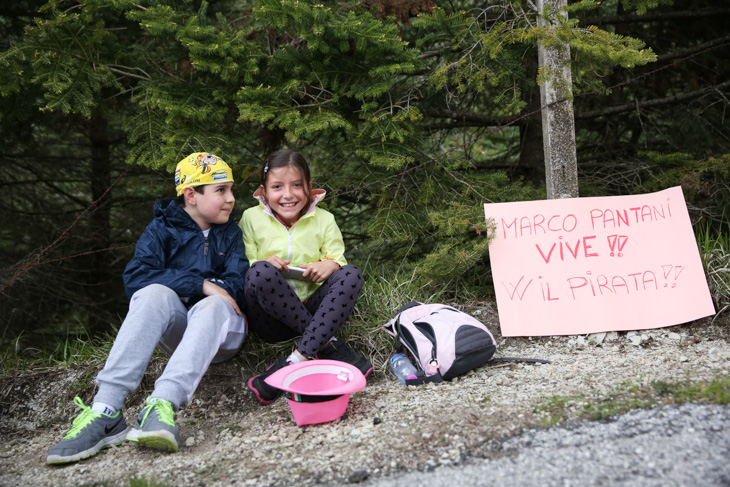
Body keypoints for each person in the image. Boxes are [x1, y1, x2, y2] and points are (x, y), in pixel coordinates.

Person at [47, 152, 249, 464]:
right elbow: (137, 277)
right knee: (153, 291)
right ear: (191, 195)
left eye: (231, 189)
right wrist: (200, 284)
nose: (231, 198)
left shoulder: (232, 234)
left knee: (213, 304)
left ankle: (162, 404)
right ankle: (106, 410)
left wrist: (208, 290)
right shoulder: (161, 229)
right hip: (180, 332)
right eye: (221, 190)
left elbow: (236, 284)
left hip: (223, 332)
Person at [240, 149, 372, 405]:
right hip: (270, 318)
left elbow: (338, 258)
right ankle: (328, 344)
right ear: (264, 191)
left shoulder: (324, 219)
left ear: (309, 188)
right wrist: (262, 263)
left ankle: (297, 358)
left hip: (315, 308)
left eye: (296, 185)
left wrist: (330, 265)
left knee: (352, 274)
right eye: (277, 186)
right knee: (260, 272)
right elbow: (244, 264)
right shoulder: (251, 218)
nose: (288, 195)